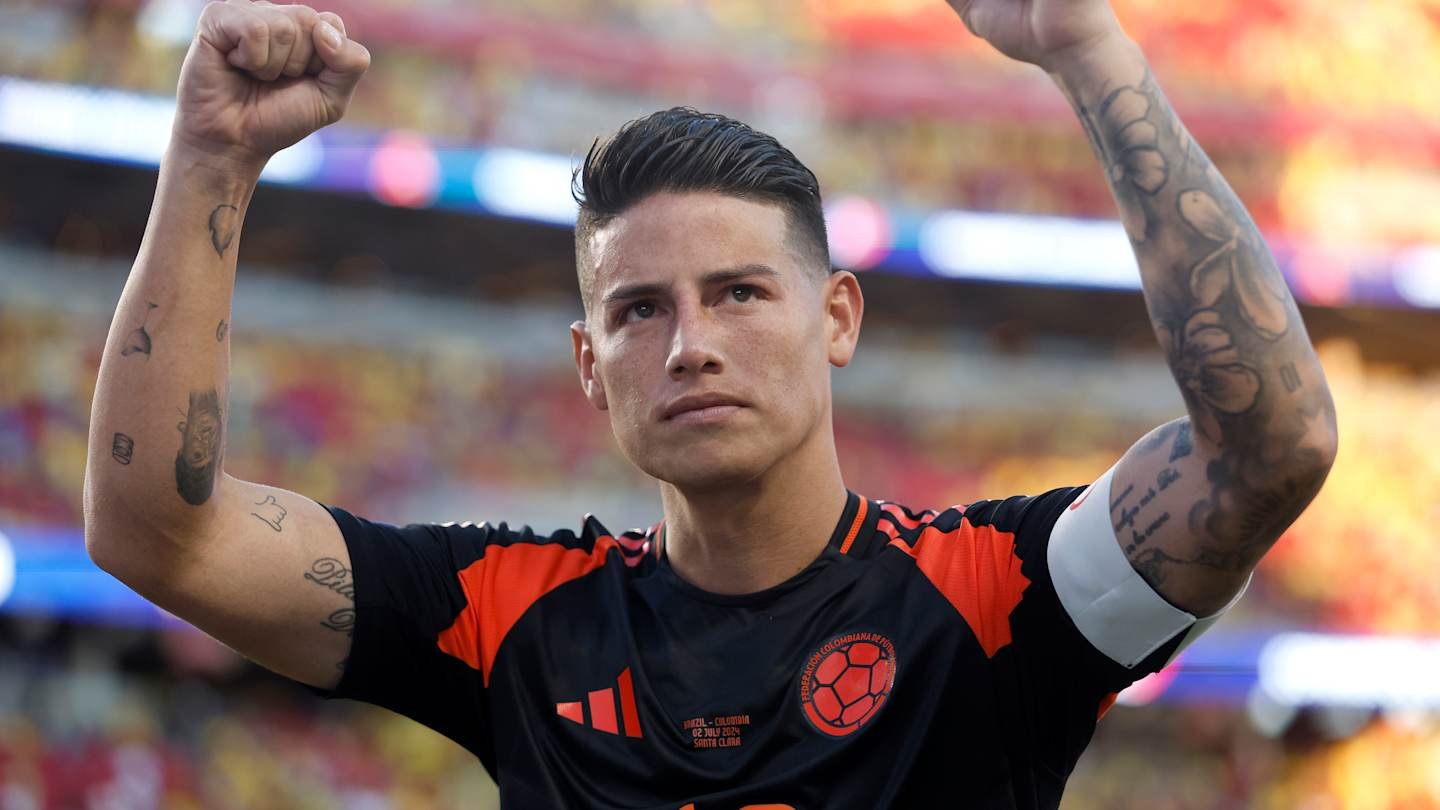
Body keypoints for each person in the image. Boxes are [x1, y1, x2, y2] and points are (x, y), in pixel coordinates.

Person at [83, 0, 1338, 806]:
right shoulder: (507, 616)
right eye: (639, 310)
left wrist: (1087, 48)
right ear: (590, 366)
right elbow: (160, 533)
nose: (691, 345)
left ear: (837, 317)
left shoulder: (995, 593)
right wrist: (211, 156)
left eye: (740, 293)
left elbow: (1270, 448)